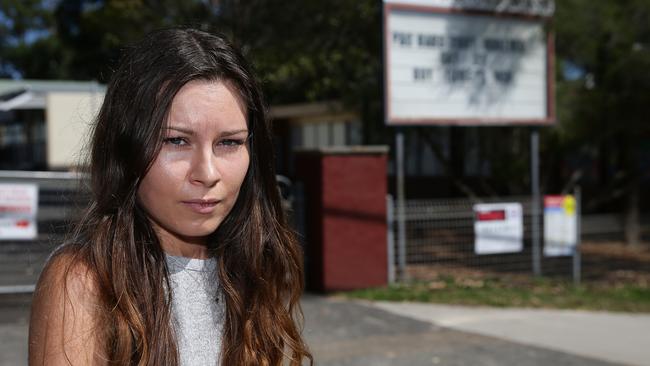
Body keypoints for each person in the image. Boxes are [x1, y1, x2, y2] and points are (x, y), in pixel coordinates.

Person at [28, 27, 312, 366]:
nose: (207, 173)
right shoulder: (83, 282)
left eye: (229, 142)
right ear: (126, 148)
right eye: (176, 141)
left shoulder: (251, 266)